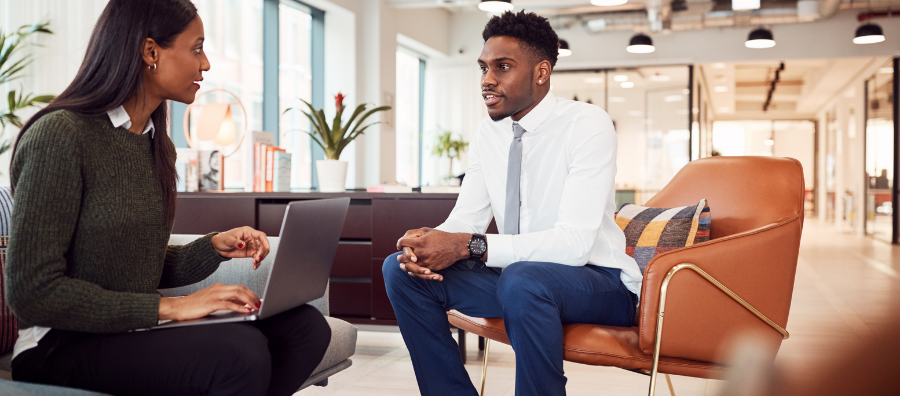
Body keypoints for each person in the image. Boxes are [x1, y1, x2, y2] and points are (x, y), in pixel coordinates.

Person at [6, 1, 330, 395]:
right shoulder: (61, 136)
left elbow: (138, 264)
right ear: (150, 52)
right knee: (239, 355)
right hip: (60, 344)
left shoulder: (157, 147)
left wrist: (214, 247)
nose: (206, 64)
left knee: (306, 329)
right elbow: (31, 292)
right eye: (197, 48)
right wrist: (172, 308)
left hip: (129, 329)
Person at [383, 10, 641, 396]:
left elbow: (573, 244)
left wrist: (469, 245)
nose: (487, 80)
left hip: (598, 284)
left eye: (502, 67)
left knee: (524, 279)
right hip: (519, 281)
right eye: (484, 67)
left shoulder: (587, 124)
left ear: (541, 72)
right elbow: (466, 219)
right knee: (401, 269)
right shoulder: (490, 132)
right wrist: (431, 239)